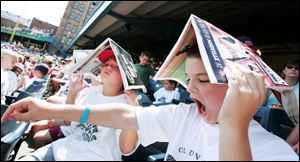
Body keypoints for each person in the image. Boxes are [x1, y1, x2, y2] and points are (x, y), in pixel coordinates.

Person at [2, 45, 298, 160]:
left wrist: (234, 125)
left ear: (242, 87)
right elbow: (126, 116)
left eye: (203, 80)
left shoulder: (275, 152)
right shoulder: (186, 116)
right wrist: (51, 109)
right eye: (189, 78)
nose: (190, 87)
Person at [13, 49, 139, 160]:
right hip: (64, 149)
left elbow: (126, 149)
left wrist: (133, 111)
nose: (108, 67)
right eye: (105, 64)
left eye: (115, 66)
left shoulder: (128, 104)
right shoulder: (92, 92)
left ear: (125, 76)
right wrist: (73, 91)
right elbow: (68, 121)